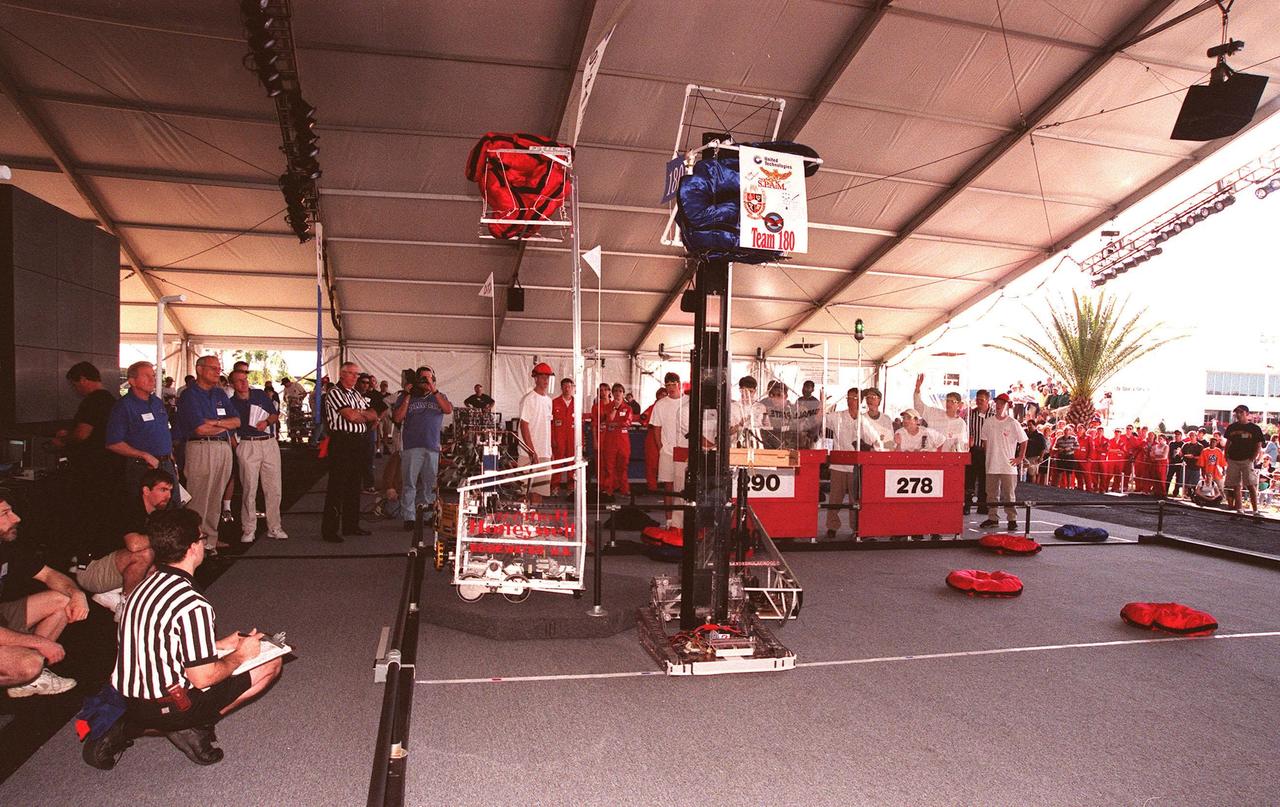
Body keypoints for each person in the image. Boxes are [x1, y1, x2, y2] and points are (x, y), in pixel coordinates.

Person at [85, 508, 283, 769]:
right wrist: (240, 654)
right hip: (168, 705)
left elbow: (155, 642)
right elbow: (204, 677)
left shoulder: (141, 587)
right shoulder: (192, 604)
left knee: (185, 682)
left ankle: (124, 727)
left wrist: (219, 645)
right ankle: (192, 726)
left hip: (126, 698)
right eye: (201, 538)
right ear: (192, 547)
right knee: (271, 664)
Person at [0, 490, 86, 697]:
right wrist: (41, 644)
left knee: (63, 600)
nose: (16, 518)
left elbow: (49, 575)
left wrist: (77, 593)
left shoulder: (6, 546)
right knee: (29, 664)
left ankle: (27, 680)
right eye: (5, 513)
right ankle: (28, 671)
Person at [73, 468, 172, 617]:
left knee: (161, 554)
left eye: (170, 490)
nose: (168, 496)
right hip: (90, 570)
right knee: (144, 554)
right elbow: (134, 545)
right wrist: (167, 536)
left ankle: (113, 593)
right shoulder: (128, 508)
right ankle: (127, 607)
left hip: (110, 566)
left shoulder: (156, 514)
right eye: (163, 490)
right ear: (146, 490)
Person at [52, 361, 122, 560]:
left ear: (83, 379)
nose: (77, 389)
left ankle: (86, 556)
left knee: (88, 513)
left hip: (92, 469)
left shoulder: (92, 401)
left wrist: (63, 440)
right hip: (112, 466)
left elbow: (83, 434)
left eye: (75, 384)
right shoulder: (111, 399)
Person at [176, 356, 240, 552]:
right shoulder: (189, 395)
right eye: (213, 368)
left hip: (223, 448)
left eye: (219, 368)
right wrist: (222, 425)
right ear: (200, 369)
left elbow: (237, 421)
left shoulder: (219, 394)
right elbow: (200, 429)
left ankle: (210, 539)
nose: (217, 372)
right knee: (199, 497)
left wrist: (215, 423)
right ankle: (195, 542)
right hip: (201, 448)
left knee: (215, 496)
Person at [105, 361, 179, 515]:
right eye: (147, 376)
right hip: (143, 468)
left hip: (166, 464)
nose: (152, 380)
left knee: (172, 509)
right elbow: (113, 443)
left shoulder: (157, 402)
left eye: (153, 376)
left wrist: (172, 462)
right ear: (132, 381)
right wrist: (143, 455)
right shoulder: (123, 406)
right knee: (145, 512)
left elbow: (163, 433)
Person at [321, 362, 379, 543]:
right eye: (352, 374)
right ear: (342, 374)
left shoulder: (355, 394)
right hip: (342, 441)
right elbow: (351, 416)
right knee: (337, 486)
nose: (355, 377)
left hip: (358, 441)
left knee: (355, 484)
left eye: (357, 374)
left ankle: (350, 525)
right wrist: (362, 414)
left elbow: (373, 414)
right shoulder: (334, 393)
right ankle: (330, 530)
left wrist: (361, 413)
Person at [228, 369, 286, 543]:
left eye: (245, 379)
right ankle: (248, 528)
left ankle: (275, 526)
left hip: (268, 442)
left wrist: (267, 422)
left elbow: (275, 415)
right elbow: (230, 429)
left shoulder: (260, 395)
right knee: (249, 488)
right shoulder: (231, 403)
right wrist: (238, 447)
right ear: (232, 384)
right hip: (248, 443)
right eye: (239, 381)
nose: (243, 383)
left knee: (274, 487)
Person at [393, 365, 452, 530]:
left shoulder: (439, 396)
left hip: (432, 446)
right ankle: (409, 516)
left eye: (430, 378)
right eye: (423, 378)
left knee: (429, 483)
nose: (426, 381)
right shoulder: (407, 396)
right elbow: (397, 417)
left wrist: (433, 390)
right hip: (412, 445)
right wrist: (407, 395)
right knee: (409, 483)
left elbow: (447, 410)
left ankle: (427, 514)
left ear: (434, 379)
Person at [979, 393, 1027, 531]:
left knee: (1009, 494)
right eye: (997, 402)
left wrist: (1020, 458)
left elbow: (1024, 441)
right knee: (991, 493)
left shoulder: (1013, 423)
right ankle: (992, 518)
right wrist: (989, 456)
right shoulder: (988, 422)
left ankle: (1012, 519)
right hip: (992, 464)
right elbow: (985, 442)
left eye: (1002, 403)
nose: (999, 405)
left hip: (1008, 465)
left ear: (1007, 405)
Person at [649, 373, 689, 531]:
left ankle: (683, 521)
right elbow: (656, 427)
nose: (670, 388)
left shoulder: (688, 402)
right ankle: (669, 520)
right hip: (667, 451)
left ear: (679, 384)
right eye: (668, 385)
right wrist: (661, 447)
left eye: (673, 384)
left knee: (683, 487)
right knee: (668, 487)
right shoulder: (660, 404)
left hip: (684, 450)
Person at [823, 389, 863, 539]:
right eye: (848, 397)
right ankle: (832, 526)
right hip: (838, 464)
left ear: (860, 400)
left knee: (855, 499)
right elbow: (822, 419)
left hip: (856, 465)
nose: (850, 400)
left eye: (854, 397)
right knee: (835, 498)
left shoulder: (863, 419)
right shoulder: (838, 416)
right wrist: (823, 404)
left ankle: (856, 528)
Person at [517, 363, 554, 504]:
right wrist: (532, 451)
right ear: (536, 378)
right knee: (525, 493)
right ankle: (523, 523)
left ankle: (535, 521)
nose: (545, 380)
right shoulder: (528, 399)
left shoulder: (549, 401)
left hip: (544, 453)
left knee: (539, 493)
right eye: (543, 377)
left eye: (548, 377)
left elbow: (546, 426)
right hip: (528, 454)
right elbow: (523, 425)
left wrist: (549, 450)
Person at [1222, 404, 1266, 515]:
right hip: (1233, 459)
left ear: (1247, 414)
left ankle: (1255, 510)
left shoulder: (1254, 428)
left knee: (1251, 485)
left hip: (1247, 459)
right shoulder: (1232, 427)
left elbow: (1258, 444)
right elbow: (1228, 442)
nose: (1238, 414)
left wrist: (1253, 457)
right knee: (1236, 485)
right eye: (1237, 412)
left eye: (1241, 412)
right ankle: (1239, 510)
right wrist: (1225, 454)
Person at [912, 374, 968, 452]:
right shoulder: (934, 413)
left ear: (959, 404)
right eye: (947, 401)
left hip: (949, 459)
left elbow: (962, 445)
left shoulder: (961, 423)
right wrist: (917, 389)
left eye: (952, 402)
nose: (948, 404)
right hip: (931, 456)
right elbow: (919, 407)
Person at [601, 383, 634, 497]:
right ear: (612, 393)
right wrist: (614, 408)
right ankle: (609, 489)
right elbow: (608, 420)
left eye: (620, 391)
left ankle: (624, 489)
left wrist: (614, 424)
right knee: (609, 466)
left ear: (623, 393)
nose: (617, 393)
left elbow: (627, 423)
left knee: (623, 466)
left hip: (623, 442)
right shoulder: (607, 406)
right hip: (610, 441)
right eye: (615, 391)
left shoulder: (628, 408)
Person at [965, 389, 993, 514]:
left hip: (987, 451)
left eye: (981, 400)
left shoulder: (993, 416)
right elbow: (965, 431)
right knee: (969, 479)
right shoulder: (970, 414)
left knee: (984, 480)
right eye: (977, 399)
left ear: (988, 400)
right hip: (973, 450)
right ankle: (967, 505)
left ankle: (983, 505)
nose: (979, 402)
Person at [551, 378, 577, 497]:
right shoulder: (554, 402)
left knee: (572, 463)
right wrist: (552, 439)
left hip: (572, 438)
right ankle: (555, 487)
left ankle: (571, 487)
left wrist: (580, 441)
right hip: (559, 437)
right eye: (565, 386)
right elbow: (550, 423)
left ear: (572, 388)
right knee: (557, 463)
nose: (567, 389)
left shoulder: (577, 403)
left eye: (569, 386)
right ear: (561, 388)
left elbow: (580, 423)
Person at [641, 387, 667, 493]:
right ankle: (652, 488)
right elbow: (643, 417)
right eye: (662, 395)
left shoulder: (669, 407)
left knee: (666, 462)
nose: (664, 397)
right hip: (653, 436)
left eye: (666, 395)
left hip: (666, 436)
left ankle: (667, 487)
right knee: (652, 463)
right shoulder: (653, 407)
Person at [730, 376, 767, 448]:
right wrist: (740, 425)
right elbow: (727, 432)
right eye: (745, 391)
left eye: (750, 391)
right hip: (736, 447)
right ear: (740, 390)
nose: (748, 394)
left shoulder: (761, 407)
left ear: (755, 391)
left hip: (757, 446)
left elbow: (766, 430)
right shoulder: (732, 407)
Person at [796, 380, 821, 448]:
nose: (805, 389)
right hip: (799, 431)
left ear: (812, 390)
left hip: (811, 431)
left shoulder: (815, 401)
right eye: (804, 387)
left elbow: (816, 418)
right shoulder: (799, 400)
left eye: (808, 387)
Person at [1180, 428, 1204, 498]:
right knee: (1185, 482)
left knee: (1194, 483)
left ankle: (1194, 496)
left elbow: (1201, 457)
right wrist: (1180, 453)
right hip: (1186, 466)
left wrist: (1193, 457)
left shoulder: (1200, 446)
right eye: (1190, 436)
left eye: (1193, 435)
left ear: (1196, 436)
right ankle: (1184, 495)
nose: (1191, 437)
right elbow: (1182, 454)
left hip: (1195, 467)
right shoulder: (1185, 445)